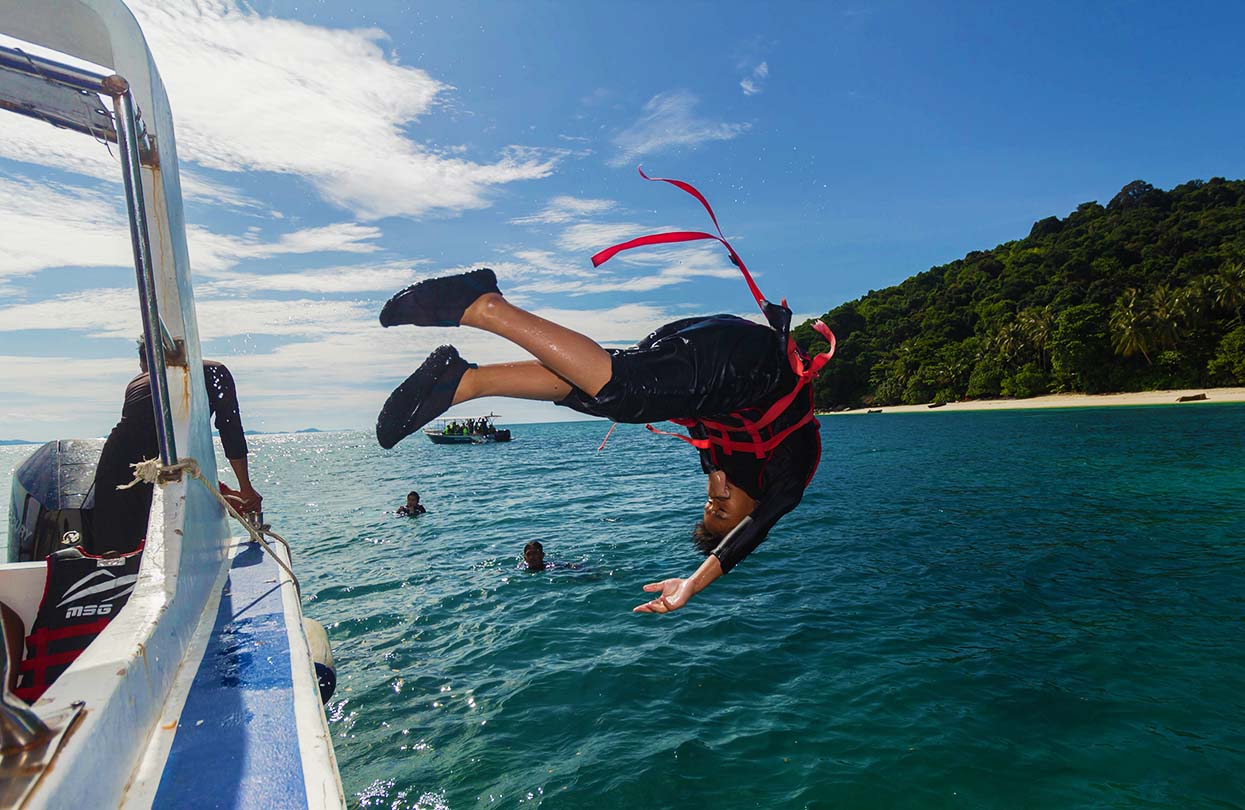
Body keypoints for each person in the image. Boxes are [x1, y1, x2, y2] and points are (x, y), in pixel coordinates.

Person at [375, 267, 829, 615]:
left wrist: (716, 488)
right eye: (723, 511)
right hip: (749, 364)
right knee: (626, 392)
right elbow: (750, 536)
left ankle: (465, 382)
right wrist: (695, 581)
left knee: (600, 395)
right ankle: (482, 304)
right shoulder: (789, 473)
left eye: (708, 510)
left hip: (711, 354)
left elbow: (697, 422)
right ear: (752, 511)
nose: (714, 501)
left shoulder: (721, 460)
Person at [91, 347, 262, 555]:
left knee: (120, 554)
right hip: (150, 472)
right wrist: (246, 489)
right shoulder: (213, 371)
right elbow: (230, 429)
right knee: (157, 552)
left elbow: (154, 447)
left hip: (116, 470)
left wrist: (222, 491)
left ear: (145, 363)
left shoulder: (138, 382)